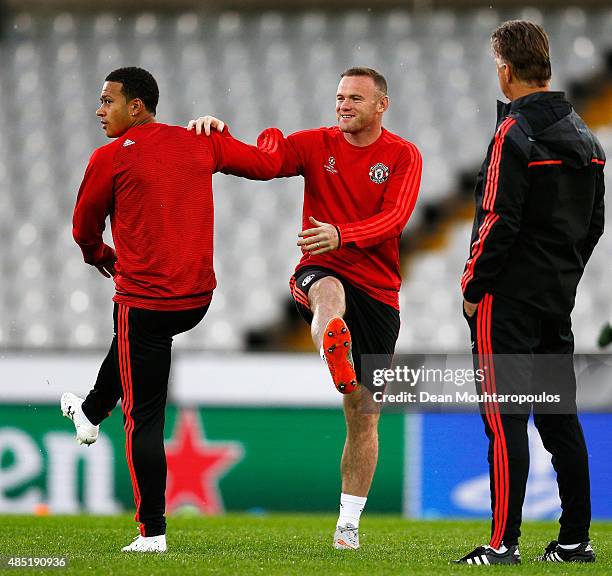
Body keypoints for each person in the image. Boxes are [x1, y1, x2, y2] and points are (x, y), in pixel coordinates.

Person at [189, 67, 422, 550]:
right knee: (327, 293)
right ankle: (332, 343)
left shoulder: (402, 155)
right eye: (339, 97)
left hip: (380, 292)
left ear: (382, 105)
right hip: (322, 267)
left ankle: (348, 526)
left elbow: (397, 217)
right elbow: (260, 163)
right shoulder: (315, 144)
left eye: (355, 98)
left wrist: (344, 233)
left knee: (364, 413)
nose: (343, 105)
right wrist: (218, 137)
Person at [61, 67, 284, 553]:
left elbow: (83, 230)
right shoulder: (200, 141)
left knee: (144, 416)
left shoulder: (108, 158)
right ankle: (90, 412)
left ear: (136, 106)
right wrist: (253, 134)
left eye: (108, 101)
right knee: (130, 351)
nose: (100, 111)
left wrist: (103, 259)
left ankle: (151, 532)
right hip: (195, 301)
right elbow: (268, 163)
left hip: (145, 302)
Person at [457, 21, 605, 565]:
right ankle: (574, 541)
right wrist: (563, 274)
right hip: (555, 300)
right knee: (560, 417)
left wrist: (474, 285)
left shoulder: (512, 134)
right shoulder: (586, 139)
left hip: (507, 301)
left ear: (505, 69)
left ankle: (502, 544)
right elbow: (594, 224)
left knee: (503, 419)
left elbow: (499, 218)